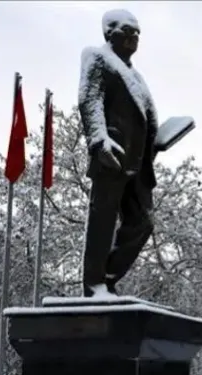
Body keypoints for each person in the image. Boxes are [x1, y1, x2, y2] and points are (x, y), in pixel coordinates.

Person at [78, 9, 158, 297]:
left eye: (137, 32)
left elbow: (144, 117)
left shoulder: (136, 75)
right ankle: (95, 286)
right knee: (103, 221)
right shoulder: (97, 57)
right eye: (127, 30)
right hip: (112, 155)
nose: (133, 37)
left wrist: (158, 140)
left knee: (143, 222)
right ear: (109, 32)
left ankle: (108, 276)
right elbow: (90, 99)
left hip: (138, 163)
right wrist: (99, 141)